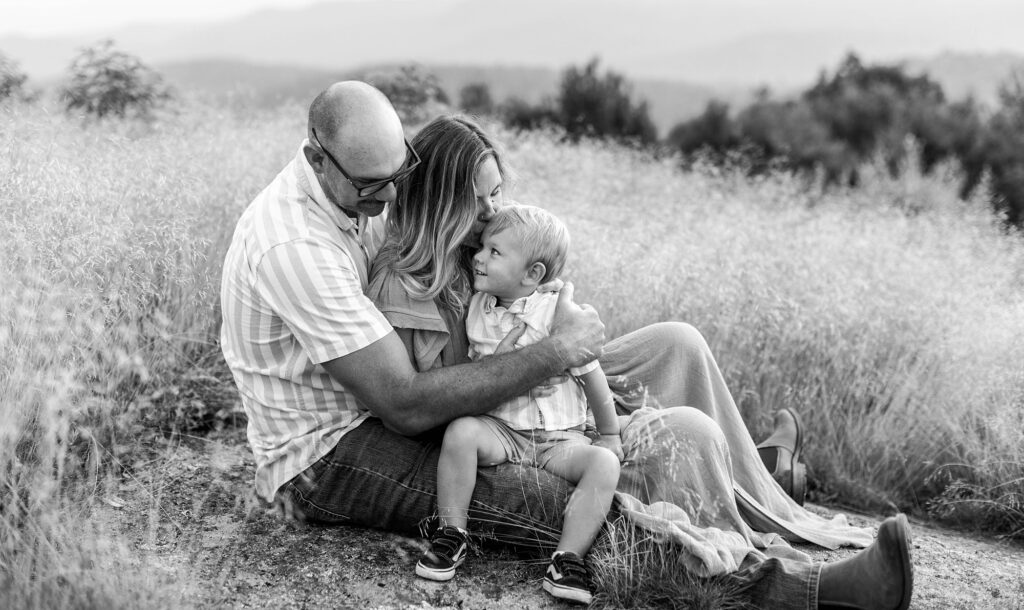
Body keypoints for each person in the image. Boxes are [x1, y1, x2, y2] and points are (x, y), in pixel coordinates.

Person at [220, 82, 914, 610]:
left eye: (398, 177)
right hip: (335, 450)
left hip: (442, 396)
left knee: (670, 347)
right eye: (374, 189)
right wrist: (560, 357)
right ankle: (808, 590)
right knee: (572, 510)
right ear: (319, 157)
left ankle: (748, 480)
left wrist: (550, 319)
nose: (386, 199)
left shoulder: (367, 193)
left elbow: (450, 261)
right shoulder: (297, 245)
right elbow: (406, 403)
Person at [416, 204, 622, 604]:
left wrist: (609, 433)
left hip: (558, 438)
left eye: (495, 252)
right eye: (483, 247)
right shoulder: (478, 306)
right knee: (460, 432)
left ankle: (567, 560)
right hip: (503, 430)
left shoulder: (557, 314)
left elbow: (591, 373)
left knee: (604, 463)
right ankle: (451, 533)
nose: (478, 256)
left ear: (533, 274)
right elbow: (474, 374)